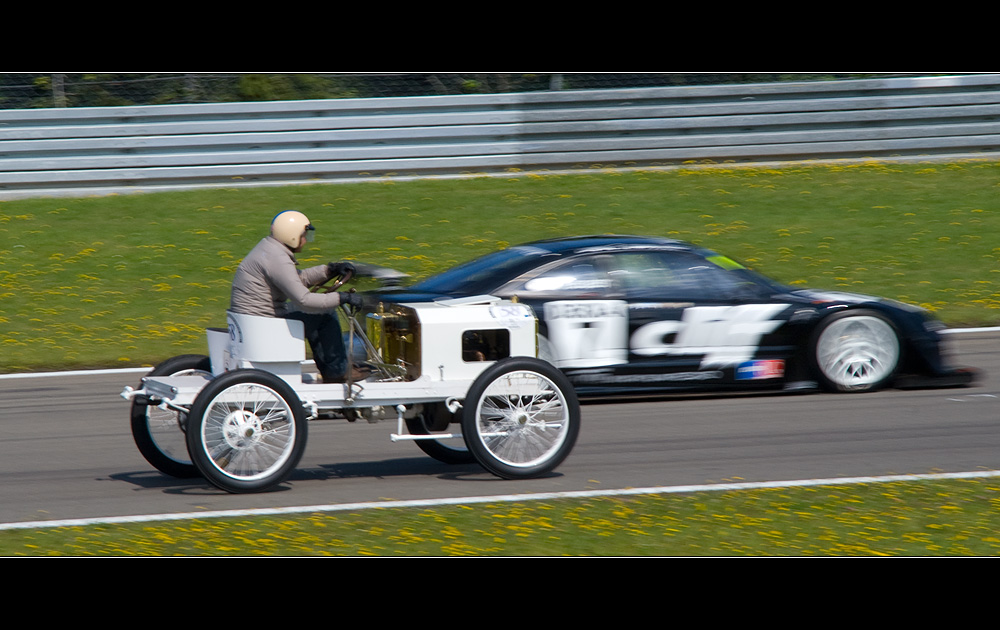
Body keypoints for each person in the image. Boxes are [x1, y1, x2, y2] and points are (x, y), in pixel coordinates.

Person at [230, 210, 363, 382]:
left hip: (255, 322)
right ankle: (337, 371)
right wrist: (342, 298)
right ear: (292, 235)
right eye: (303, 235)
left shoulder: (269, 249)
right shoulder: (277, 258)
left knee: (314, 313)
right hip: (264, 326)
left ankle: (332, 369)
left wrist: (329, 270)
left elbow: (296, 279)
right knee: (324, 313)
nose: (306, 240)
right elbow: (304, 300)